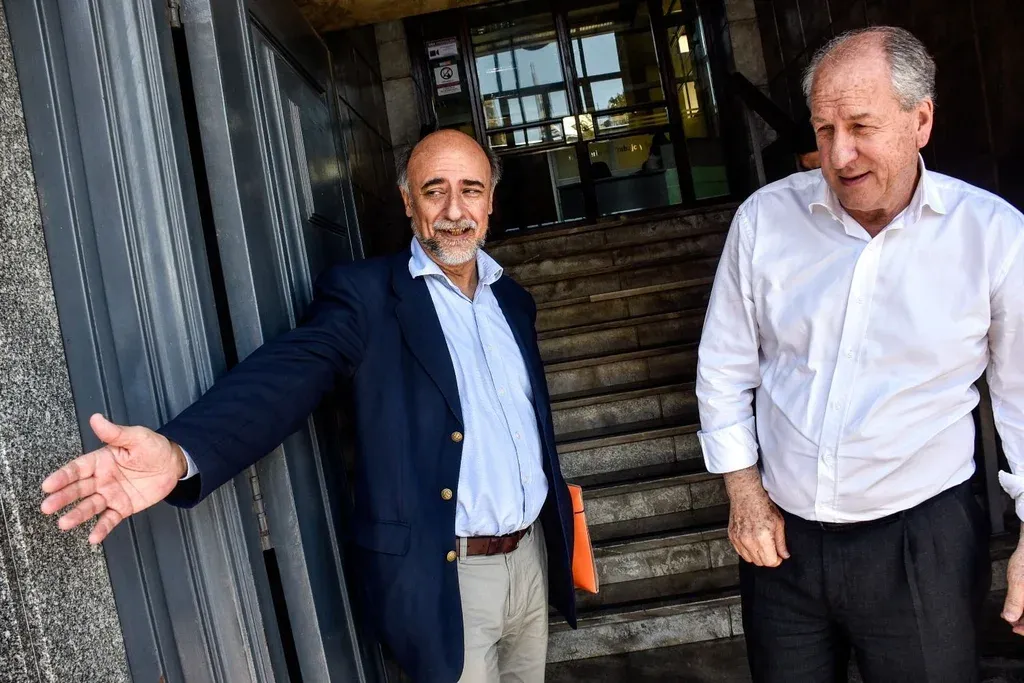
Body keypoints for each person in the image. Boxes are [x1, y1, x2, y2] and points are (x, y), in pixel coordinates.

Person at [38, 130, 575, 683]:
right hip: (448, 578)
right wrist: (180, 452)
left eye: (471, 190)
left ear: (491, 201)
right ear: (407, 201)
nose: (455, 210)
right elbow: (288, 377)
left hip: (531, 558)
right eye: (435, 190)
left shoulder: (513, 301)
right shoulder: (366, 296)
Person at [695, 26, 1024, 682]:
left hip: (922, 541)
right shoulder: (764, 221)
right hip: (783, 542)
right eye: (824, 130)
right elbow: (724, 368)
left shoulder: (992, 235)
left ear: (920, 120)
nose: (839, 154)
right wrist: (743, 489)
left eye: (861, 127)